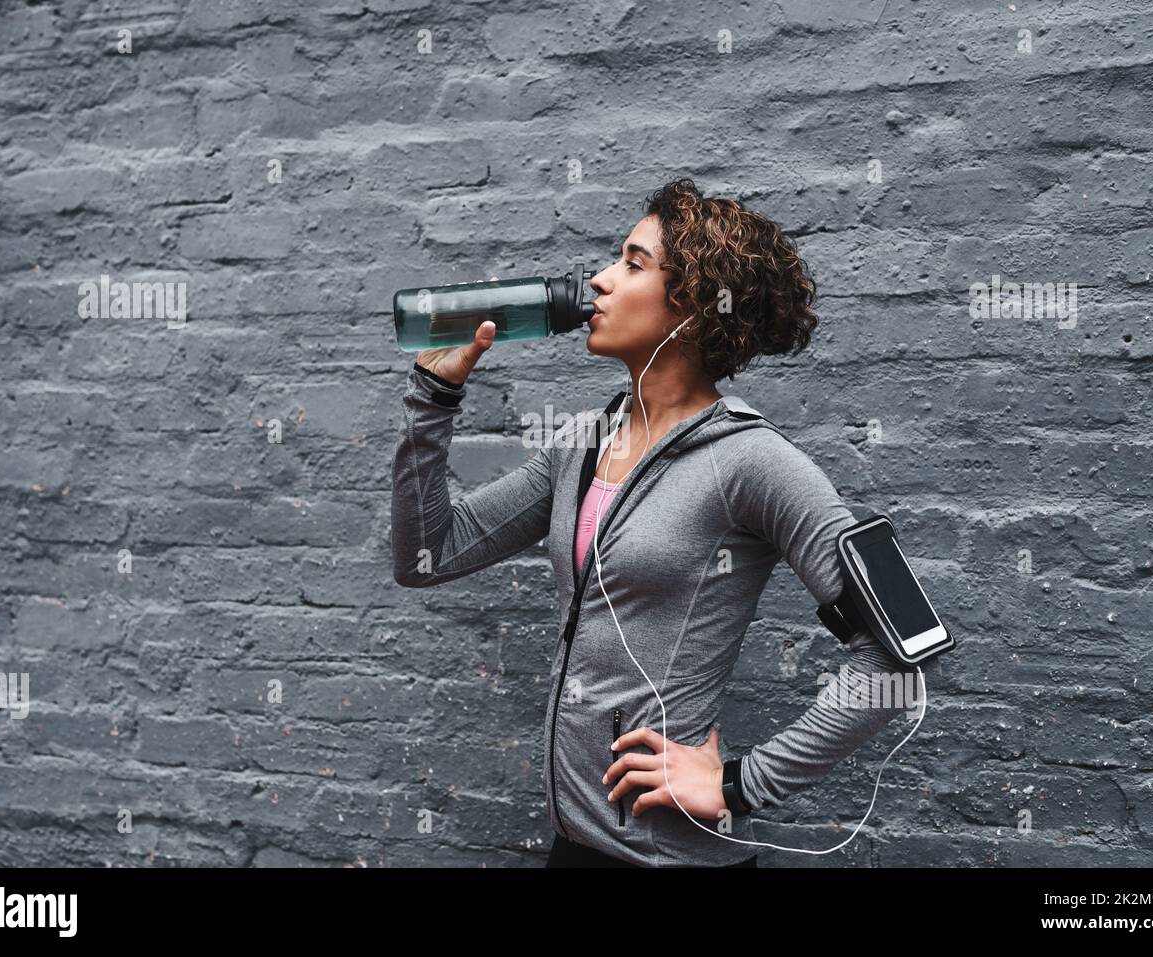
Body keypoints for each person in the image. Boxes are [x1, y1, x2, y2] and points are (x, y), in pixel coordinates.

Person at [391, 177, 920, 868]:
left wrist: (740, 783)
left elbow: (901, 647)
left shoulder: (753, 461)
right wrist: (434, 398)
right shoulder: (581, 443)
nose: (599, 282)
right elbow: (429, 554)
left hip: (670, 859)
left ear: (696, 307)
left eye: (633, 263)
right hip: (575, 847)